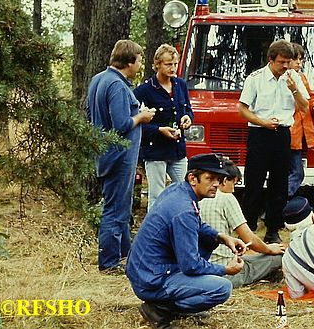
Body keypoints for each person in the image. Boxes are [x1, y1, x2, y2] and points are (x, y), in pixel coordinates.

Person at [126, 154, 247, 329]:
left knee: (208, 240)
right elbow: (190, 265)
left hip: (145, 270)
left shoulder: (177, 190)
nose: (216, 184)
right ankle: (159, 309)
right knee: (222, 288)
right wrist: (225, 269)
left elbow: (198, 225)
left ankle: (170, 304)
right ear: (192, 178)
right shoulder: (184, 210)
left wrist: (222, 237)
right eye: (210, 178)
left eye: (219, 179)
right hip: (151, 279)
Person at [87, 39, 156, 273]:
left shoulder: (98, 79)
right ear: (129, 61)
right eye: (139, 60)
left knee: (121, 206)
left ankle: (126, 254)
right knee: (115, 209)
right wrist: (142, 117)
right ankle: (108, 263)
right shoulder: (116, 85)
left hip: (106, 153)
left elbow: (91, 115)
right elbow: (121, 124)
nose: (140, 65)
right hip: (118, 156)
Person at [237, 39, 309, 244]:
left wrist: (294, 89)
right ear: (271, 60)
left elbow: (304, 107)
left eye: (288, 62)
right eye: (282, 62)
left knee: (280, 184)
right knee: (254, 183)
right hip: (260, 134)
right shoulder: (256, 78)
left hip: (283, 134)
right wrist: (262, 122)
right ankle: (249, 227)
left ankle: (272, 230)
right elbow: (242, 109)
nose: (286, 66)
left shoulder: (294, 77)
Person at [198, 161, 285, 287]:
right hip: (226, 272)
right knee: (277, 258)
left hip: (202, 268)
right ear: (225, 180)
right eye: (234, 183)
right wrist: (270, 248)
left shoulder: (196, 198)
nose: (233, 189)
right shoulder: (226, 198)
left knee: (252, 258)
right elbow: (249, 238)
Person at [134, 44, 194, 211]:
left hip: (178, 150)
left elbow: (188, 109)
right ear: (157, 63)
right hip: (156, 151)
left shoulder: (180, 85)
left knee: (186, 191)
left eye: (175, 64)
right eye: (168, 64)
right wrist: (159, 130)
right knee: (157, 195)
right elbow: (135, 123)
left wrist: (188, 118)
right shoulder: (143, 91)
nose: (173, 68)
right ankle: (153, 234)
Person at [288, 43, 314, 198]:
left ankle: (281, 205)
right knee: (296, 173)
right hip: (290, 134)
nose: (299, 63)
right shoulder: (284, 78)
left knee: (293, 172)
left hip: (299, 134)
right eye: (296, 59)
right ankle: (280, 204)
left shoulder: (301, 77)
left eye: (301, 60)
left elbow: (311, 96)